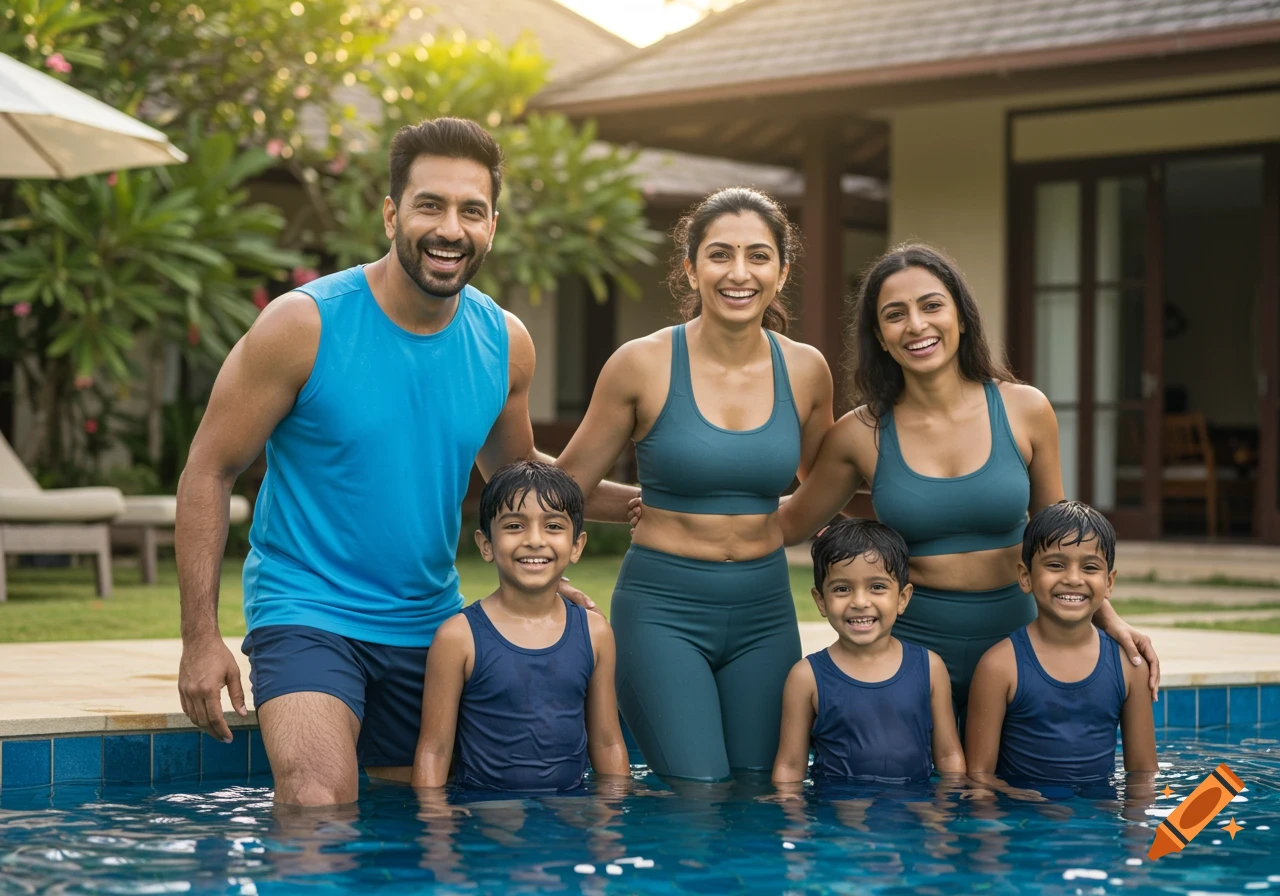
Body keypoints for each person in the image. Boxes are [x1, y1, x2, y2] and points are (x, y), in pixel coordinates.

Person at [175, 118, 634, 806]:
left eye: (471, 211)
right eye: (430, 205)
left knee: (439, 811)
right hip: (309, 609)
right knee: (315, 802)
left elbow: (520, 477)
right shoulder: (303, 325)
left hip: (431, 623)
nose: (451, 228)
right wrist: (200, 637)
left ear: (492, 225)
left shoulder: (504, 342)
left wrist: (644, 510)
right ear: (392, 214)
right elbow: (207, 470)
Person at [771, 243, 1160, 721]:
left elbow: (1060, 541)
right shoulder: (859, 433)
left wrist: (1111, 620)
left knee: (1024, 792)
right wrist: (668, 511)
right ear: (880, 335)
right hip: (910, 654)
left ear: (962, 317)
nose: (916, 325)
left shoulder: (1026, 410)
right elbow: (791, 519)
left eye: (932, 305)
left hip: (1021, 646)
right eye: (896, 314)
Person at [555, 187, 835, 781]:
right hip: (662, 609)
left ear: (782, 273)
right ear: (691, 267)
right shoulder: (641, 364)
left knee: (763, 789)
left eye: (759, 256)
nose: (740, 273)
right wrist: (545, 574)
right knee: (697, 791)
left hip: (765, 609)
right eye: (720, 254)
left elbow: (827, 486)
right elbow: (565, 489)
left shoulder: (807, 371)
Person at [410, 461, 629, 792]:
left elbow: (608, 742)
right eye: (514, 526)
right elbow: (435, 750)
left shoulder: (595, 632)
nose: (535, 540)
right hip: (487, 811)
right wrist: (436, 832)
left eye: (553, 526)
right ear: (486, 545)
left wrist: (610, 823)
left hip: (570, 809)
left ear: (576, 546)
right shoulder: (458, 637)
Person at [964, 501, 1157, 788]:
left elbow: (1143, 775)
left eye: (1090, 567)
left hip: (1100, 823)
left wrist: (1134, 830)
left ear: (1109, 583)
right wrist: (1024, 804)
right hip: (1027, 821)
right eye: (1055, 565)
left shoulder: (1130, 666)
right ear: (1026, 577)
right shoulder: (1000, 666)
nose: (1073, 579)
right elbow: (979, 777)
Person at [772, 519, 965, 785]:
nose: (860, 602)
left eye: (877, 587)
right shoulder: (806, 677)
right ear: (821, 601)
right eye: (842, 589)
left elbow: (949, 755)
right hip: (837, 816)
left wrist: (944, 817)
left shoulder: (930, 668)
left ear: (902, 598)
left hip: (914, 812)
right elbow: (790, 766)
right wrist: (793, 822)